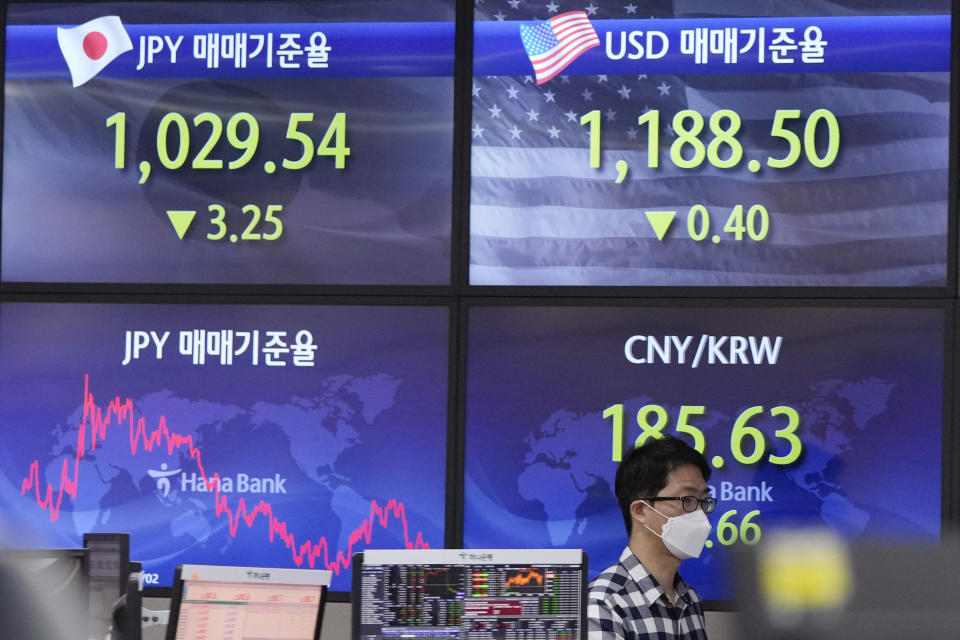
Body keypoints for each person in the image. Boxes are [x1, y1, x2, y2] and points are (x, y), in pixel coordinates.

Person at [588, 435, 715, 639]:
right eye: (687, 499)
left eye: (704, 500)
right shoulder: (603, 603)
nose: (699, 513)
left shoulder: (691, 600)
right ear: (640, 510)